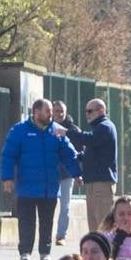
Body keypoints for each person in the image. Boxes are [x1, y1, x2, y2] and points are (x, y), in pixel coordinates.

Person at [2, 98, 82, 260]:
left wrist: (77, 173)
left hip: (49, 187)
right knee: (26, 221)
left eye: (51, 112)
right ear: (36, 112)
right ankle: (25, 252)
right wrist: (7, 178)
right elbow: (8, 155)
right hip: (26, 187)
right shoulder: (19, 130)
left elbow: (69, 154)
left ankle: (45, 252)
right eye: (48, 111)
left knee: (47, 221)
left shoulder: (57, 131)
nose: (51, 115)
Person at [62, 97, 118, 234]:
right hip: (93, 183)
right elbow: (89, 152)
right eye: (86, 111)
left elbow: (90, 139)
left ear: (101, 111)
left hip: (102, 184)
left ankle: (108, 254)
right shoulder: (98, 129)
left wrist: (68, 132)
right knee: (94, 228)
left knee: (104, 227)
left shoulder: (105, 127)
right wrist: (74, 156)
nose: (87, 114)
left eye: (90, 111)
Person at [51, 100, 78, 247]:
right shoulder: (47, 129)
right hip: (51, 174)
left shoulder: (73, 130)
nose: (59, 114)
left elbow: (79, 153)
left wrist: (77, 172)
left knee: (65, 206)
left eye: (62, 111)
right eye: (56, 111)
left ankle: (61, 236)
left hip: (67, 175)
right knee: (49, 204)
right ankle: (46, 234)